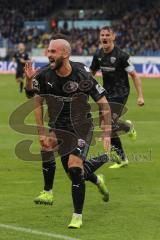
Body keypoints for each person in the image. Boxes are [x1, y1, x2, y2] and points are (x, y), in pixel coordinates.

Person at [24, 38, 111, 228]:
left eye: (53, 51)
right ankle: (50, 190)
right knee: (58, 158)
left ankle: (77, 216)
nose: (49, 55)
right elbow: (35, 100)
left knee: (74, 167)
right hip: (59, 127)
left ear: (66, 54)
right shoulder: (44, 75)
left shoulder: (82, 74)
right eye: (48, 51)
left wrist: (106, 132)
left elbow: (103, 102)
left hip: (81, 127)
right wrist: (41, 133)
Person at [90, 26, 144, 169]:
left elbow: (134, 75)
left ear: (113, 37)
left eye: (108, 35)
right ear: (100, 37)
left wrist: (140, 96)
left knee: (109, 124)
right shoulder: (98, 54)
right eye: (102, 35)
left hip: (121, 93)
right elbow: (92, 72)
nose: (104, 37)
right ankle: (123, 156)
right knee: (105, 126)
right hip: (106, 94)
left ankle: (127, 129)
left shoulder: (122, 56)